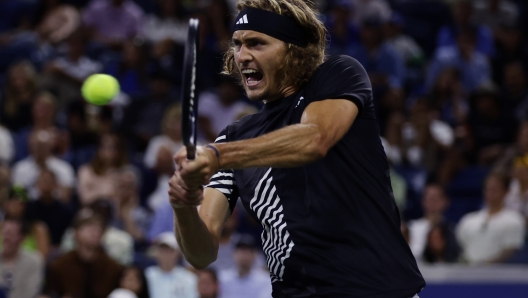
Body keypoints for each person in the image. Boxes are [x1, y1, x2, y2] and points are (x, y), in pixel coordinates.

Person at [168, 1, 425, 297]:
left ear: (294, 51)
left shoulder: (338, 75)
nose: (242, 55)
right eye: (237, 45)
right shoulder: (232, 138)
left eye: (256, 43)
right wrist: (183, 204)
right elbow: (202, 254)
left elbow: (315, 139)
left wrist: (216, 156)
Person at [44, 208, 124, 298]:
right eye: (89, 226)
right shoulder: (60, 266)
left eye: (99, 228)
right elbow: (50, 292)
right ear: (76, 233)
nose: (95, 231)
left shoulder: (113, 268)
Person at [456, 173, 525, 264]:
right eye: (488, 188)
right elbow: (462, 247)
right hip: (470, 272)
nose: (490, 192)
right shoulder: (469, 219)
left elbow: (511, 249)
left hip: (499, 274)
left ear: (506, 191)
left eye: (495, 189)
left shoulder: (514, 219)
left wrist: (486, 266)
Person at [11, 129, 75, 203]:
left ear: (51, 145)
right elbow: (17, 195)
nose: (40, 149)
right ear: (30, 145)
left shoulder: (64, 168)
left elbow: (65, 195)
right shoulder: (20, 168)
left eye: (43, 145)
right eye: (37, 145)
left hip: (54, 209)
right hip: (28, 209)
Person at [77, 133, 130, 206]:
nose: (109, 151)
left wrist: (96, 191)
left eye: (113, 147)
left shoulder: (126, 174)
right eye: (105, 146)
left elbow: (122, 202)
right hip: (91, 212)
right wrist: (107, 192)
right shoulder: (86, 171)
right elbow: (85, 198)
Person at [408, 184, 457, 262]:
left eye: (436, 198)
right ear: (423, 201)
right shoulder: (411, 228)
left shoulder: (452, 229)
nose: (433, 202)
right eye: (429, 198)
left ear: (446, 201)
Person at [145, 232, 198, 298]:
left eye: (170, 251)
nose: (166, 255)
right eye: (163, 250)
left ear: (177, 253)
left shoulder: (189, 278)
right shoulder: (148, 275)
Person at [0, 217, 44, 297]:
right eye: (5, 233)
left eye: (11, 234)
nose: (6, 238)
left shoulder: (34, 261)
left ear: (22, 238)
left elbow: (31, 292)